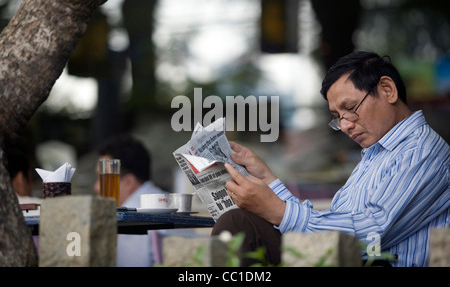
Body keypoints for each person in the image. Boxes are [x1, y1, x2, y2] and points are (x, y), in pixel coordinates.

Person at [211, 51, 449, 267]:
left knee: (239, 224)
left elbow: (370, 234)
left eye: (351, 108)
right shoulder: (377, 154)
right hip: (344, 258)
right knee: (241, 224)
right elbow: (330, 223)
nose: (345, 125)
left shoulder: (422, 150)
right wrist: (265, 176)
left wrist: (278, 211)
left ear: (388, 90)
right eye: (337, 117)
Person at [94, 134, 166, 267]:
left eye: (102, 178)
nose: (96, 187)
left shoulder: (129, 218)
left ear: (129, 182)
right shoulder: (167, 200)